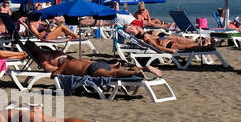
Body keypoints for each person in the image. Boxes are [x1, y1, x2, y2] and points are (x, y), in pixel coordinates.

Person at [33, 49, 164, 79]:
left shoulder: (65, 65)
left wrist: (57, 69)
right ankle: (139, 67)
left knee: (113, 74)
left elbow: (53, 76)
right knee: (114, 69)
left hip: (92, 69)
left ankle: (138, 71)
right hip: (97, 63)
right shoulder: (76, 60)